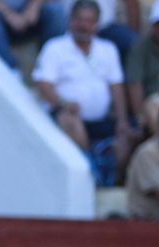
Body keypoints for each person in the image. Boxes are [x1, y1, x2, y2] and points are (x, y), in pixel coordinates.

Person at [34, 0, 132, 173]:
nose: (83, 26)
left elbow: (116, 86)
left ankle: (110, 177)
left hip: (100, 120)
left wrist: (122, 120)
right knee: (69, 119)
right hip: (69, 116)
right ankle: (91, 168)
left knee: (127, 133)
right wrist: (63, 103)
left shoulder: (108, 49)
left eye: (89, 21)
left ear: (97, 24)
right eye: (79, 20)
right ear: (70, 20)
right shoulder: (55, 47)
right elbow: (43, 84)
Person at [0, 0, 68, 71]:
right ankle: (11, 69)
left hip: (23, 16)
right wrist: (8, 14)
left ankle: (47, 72)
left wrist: (32, 8)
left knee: (56, 12)